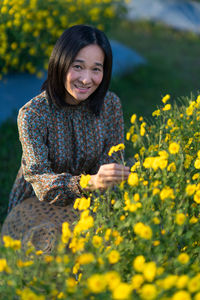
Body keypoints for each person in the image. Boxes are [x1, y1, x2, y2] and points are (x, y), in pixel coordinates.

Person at [1, 24, 130, 252]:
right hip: (40, 210)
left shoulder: (110, 105)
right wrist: (88, 182)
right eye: (77, 67)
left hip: (92, 201)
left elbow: (112, 158)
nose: (86, 79)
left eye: (96, 69)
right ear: (60, 64)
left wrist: (105, 180)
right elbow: (41, 180)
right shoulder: (32, 114)